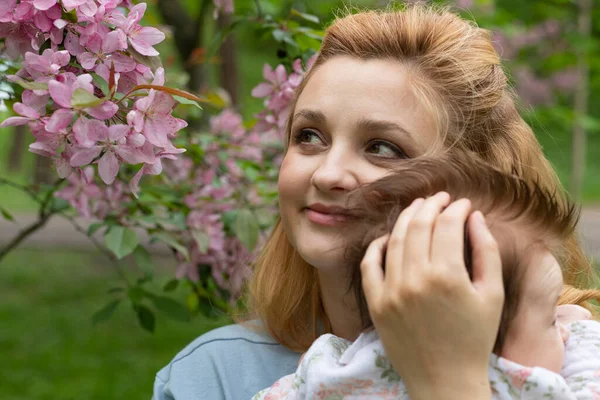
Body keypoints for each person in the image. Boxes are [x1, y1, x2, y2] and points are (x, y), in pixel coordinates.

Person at [153, 4, 598, 399]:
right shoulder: (211, 378)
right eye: (309, 137)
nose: (328, 174)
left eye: (382, 147)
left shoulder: (569, 358)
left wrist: (450, 383)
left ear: (479, 185)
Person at [252, 155, 600, 399]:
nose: (568, 330)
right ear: (486, 343)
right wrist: (582, 333)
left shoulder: (329, 371)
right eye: (551, 320)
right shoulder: (529, 386)